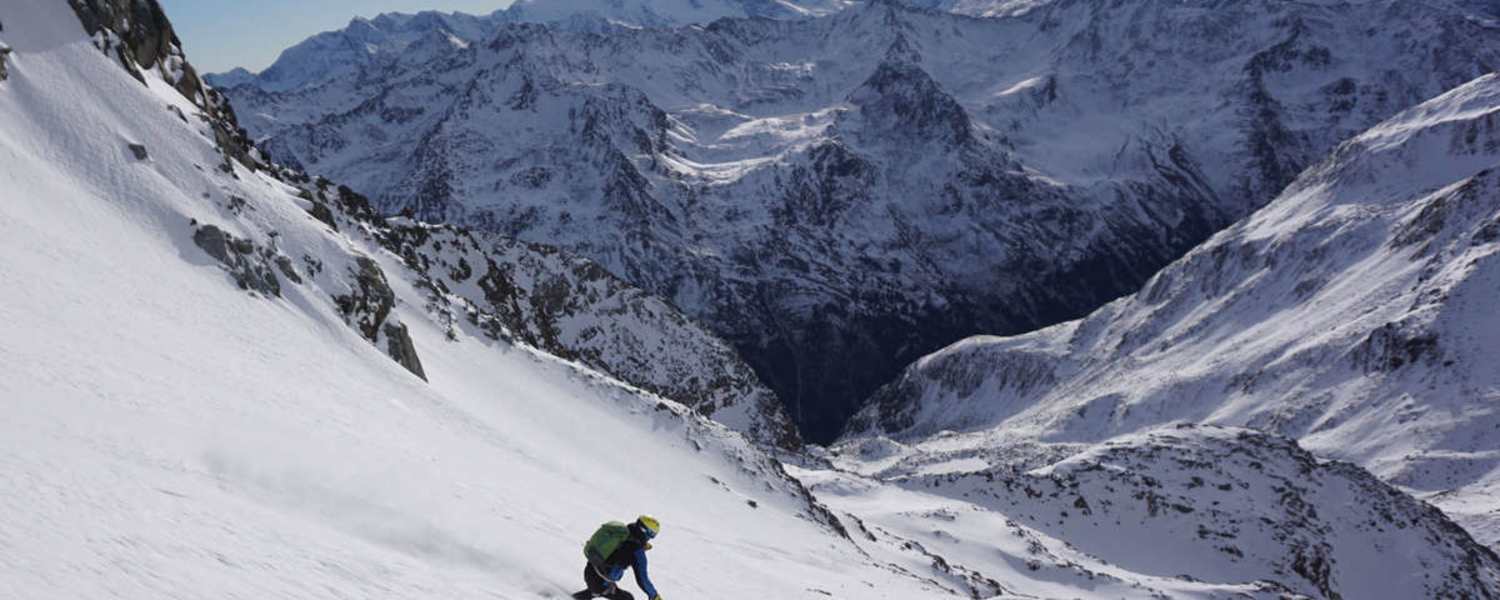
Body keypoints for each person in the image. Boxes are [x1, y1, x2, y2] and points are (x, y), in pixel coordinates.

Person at [573, 516, 663, 600]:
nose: (651, 537)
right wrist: (654, 596)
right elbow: (643, 580)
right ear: (646, 532)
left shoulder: (621, 533)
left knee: (600, 589)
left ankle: (578, 596)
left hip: (590, 570)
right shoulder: (636, 551)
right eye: (652, 534)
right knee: (628, 598)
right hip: (601, 582)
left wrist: (642, 545)